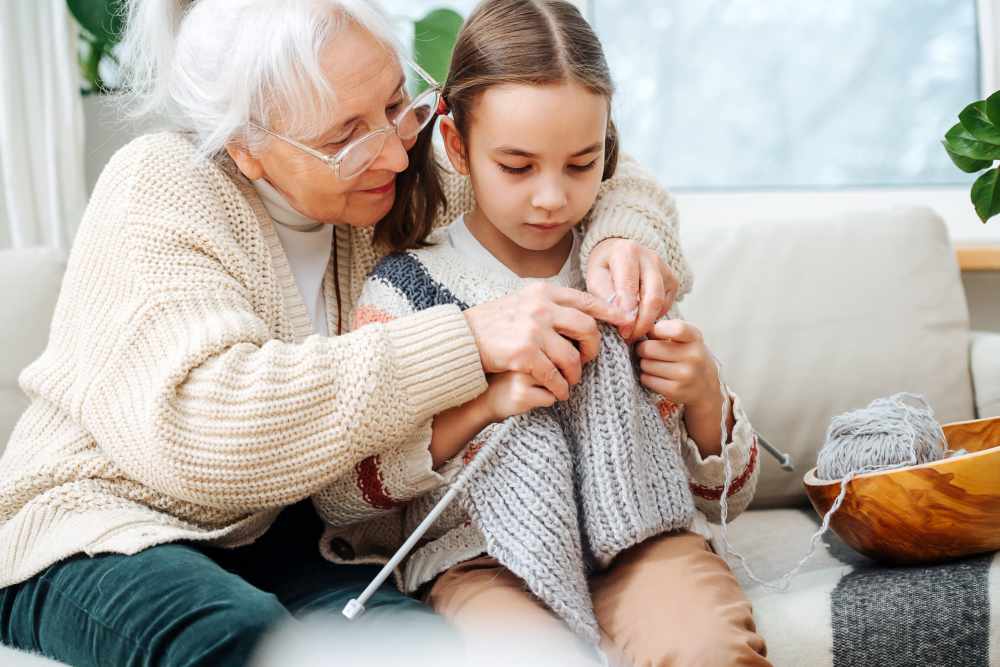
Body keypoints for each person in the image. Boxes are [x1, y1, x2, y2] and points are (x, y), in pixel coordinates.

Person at [0, 0, 693, 665]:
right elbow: (208, 428)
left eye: (396, 104)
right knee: (243, 640)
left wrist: (624, 239)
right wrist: (468, 338)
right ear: (248, 146)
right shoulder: (160, 185)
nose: (395, 153)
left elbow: (586, 165)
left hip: (282, 531)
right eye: (345, 139)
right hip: (102, 525)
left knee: (415, 646)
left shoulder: (391, 173)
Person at [320, 2, 770, 665]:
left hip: (649, 538)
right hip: (480, 558)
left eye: (582, 163)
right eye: (518, 166)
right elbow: (347, 496)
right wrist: (485, 403)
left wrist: (704, 395)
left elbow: (728, 494)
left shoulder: (624, 271)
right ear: (456, 144)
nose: (552, 198)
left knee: (708, 646)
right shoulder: (405, 289)